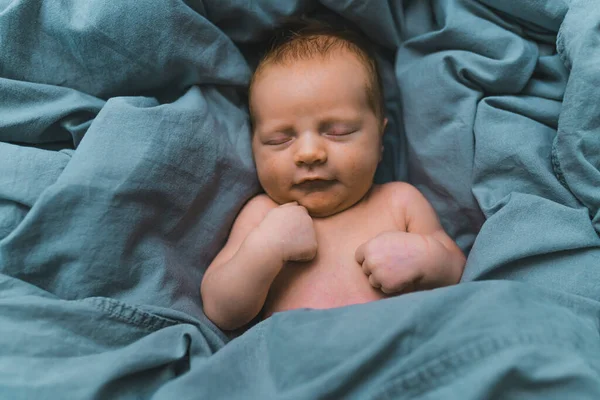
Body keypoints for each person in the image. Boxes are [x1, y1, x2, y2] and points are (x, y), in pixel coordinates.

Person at [201, 20, 466, 332]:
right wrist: (264, 250)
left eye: (338, 132)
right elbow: (221, 310)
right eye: (279, 139)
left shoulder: (400, 201)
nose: (309, 153)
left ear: (380, 140)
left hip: (395, 349)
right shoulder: (262, 215)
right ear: (254, 145)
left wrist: (423, 258)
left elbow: (458, 271)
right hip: (299, 362)